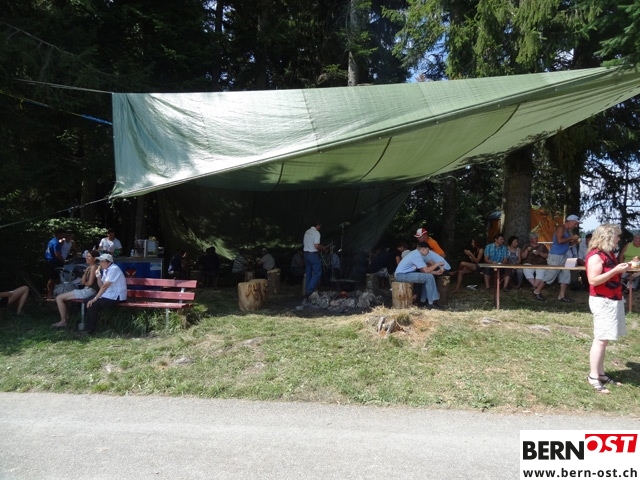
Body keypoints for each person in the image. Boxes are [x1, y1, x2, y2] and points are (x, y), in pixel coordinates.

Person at [585, 223, 629, 394]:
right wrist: (615, 270)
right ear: (608, 237)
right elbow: (593, 280)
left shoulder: (609, 254)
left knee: (605, 339)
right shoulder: (596, 256)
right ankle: (593, 376)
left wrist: (623, 269)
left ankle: (601, 373)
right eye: (617, 236)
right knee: (601, 339)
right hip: (602, 301)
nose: (619, 239)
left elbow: (611, 275)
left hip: (612, 299)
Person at [532, 214, 581, 302]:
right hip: (555, 256)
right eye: (575, 223)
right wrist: (571, 237)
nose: (576, 226)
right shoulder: (561, 228)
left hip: (563, 256)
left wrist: (574, 242)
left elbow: (565, 243)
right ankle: (537, 291)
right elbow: (559, 241)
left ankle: (561, 296)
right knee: (550, 275)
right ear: (570, 221)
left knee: (566, 275)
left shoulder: (567, 230)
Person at [52, 250, 100, 328]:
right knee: (62, 297)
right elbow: (82, 282)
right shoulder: (89, 267)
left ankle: (63, 321)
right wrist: (86, 273)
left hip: (90, 291)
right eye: (86, 256)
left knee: (59, 298)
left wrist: (85, 282)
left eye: (89, 257)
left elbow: (90, 283)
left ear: (94, 259)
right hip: (86, 289)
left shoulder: (94, 267)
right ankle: (66, 319)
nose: (86, 258)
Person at [85, 253, 127, 335]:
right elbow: (101, 286)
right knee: (86, 300)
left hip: (116, 296)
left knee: (93, 304)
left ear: (109, 262)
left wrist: (95, 299)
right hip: (108, 295)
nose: (100, 263)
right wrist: (98, 276)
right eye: (100, 261)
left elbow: (105, 286)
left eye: (102, 261)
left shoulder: (114, 269)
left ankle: (91, 330)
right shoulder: (105, 270)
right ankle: (92, 324)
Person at [394, 241, 444, 309]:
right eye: (428, 250)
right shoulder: (417, 255)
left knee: (427, 277)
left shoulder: (415, 253)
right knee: (429, 277)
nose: (428, 252)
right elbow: (426, 270)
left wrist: (436, 272)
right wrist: (437, 264)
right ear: (423, 249)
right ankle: (431, 303)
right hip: (402, 275)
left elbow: (423, 270)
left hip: (403, 274)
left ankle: (423, 300)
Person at [303, 220, 326, 297]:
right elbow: (316, 246)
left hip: (306, 254)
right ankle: (310, 289)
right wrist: (323, 248)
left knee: (308, 272)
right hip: (313, 254)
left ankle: (307, 290)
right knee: (317, 272)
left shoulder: (307, 232)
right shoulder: (316, 233)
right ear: (318, 225)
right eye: (320, 226)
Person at [44, 228, 66, 299]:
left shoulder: (52, 241)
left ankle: (52, 293)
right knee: (53, 278)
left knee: (54, 278)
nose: (63, 236)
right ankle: (49, 294)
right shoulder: (56, 242)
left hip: (49, 261)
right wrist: (63, 261)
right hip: (53, 262)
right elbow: (57, 254)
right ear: (59, 234)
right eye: (62, 234)